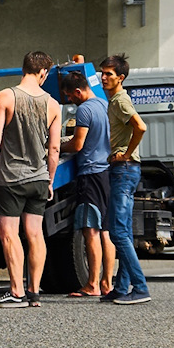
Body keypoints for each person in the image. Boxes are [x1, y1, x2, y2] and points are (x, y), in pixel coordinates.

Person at [0, 50, 60, 307]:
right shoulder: (53, 104)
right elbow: (55, 149)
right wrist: (50, 180)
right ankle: (34, 292)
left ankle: (17, 292)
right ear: (43, 72)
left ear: (23, 68)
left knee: (8, 233)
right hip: (38, 178)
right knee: (35, 234)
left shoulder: (6, 96)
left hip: (11, 178)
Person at [98, 55, 150, 304]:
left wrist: (126, 154)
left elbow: (141, 127)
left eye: (109, 74)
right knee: (124, 231)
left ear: (121, 78)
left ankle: (140, 288)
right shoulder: (114, 101)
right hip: (127, 169)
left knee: (117, 233)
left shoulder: (119, 101)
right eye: (102, 73)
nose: (104, 77)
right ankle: (121, 288)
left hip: (124, 169)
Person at [59, 67, 114, 297]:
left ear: (79, 91)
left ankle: (91, 284)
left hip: (90, 175)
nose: (70, 100)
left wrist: (55, 146)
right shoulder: (103, 104)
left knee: (90, 230)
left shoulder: (84, 110)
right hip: (106, 173)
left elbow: (77, 144)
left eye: (70, 96)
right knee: (105, 231)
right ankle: (106, 283)